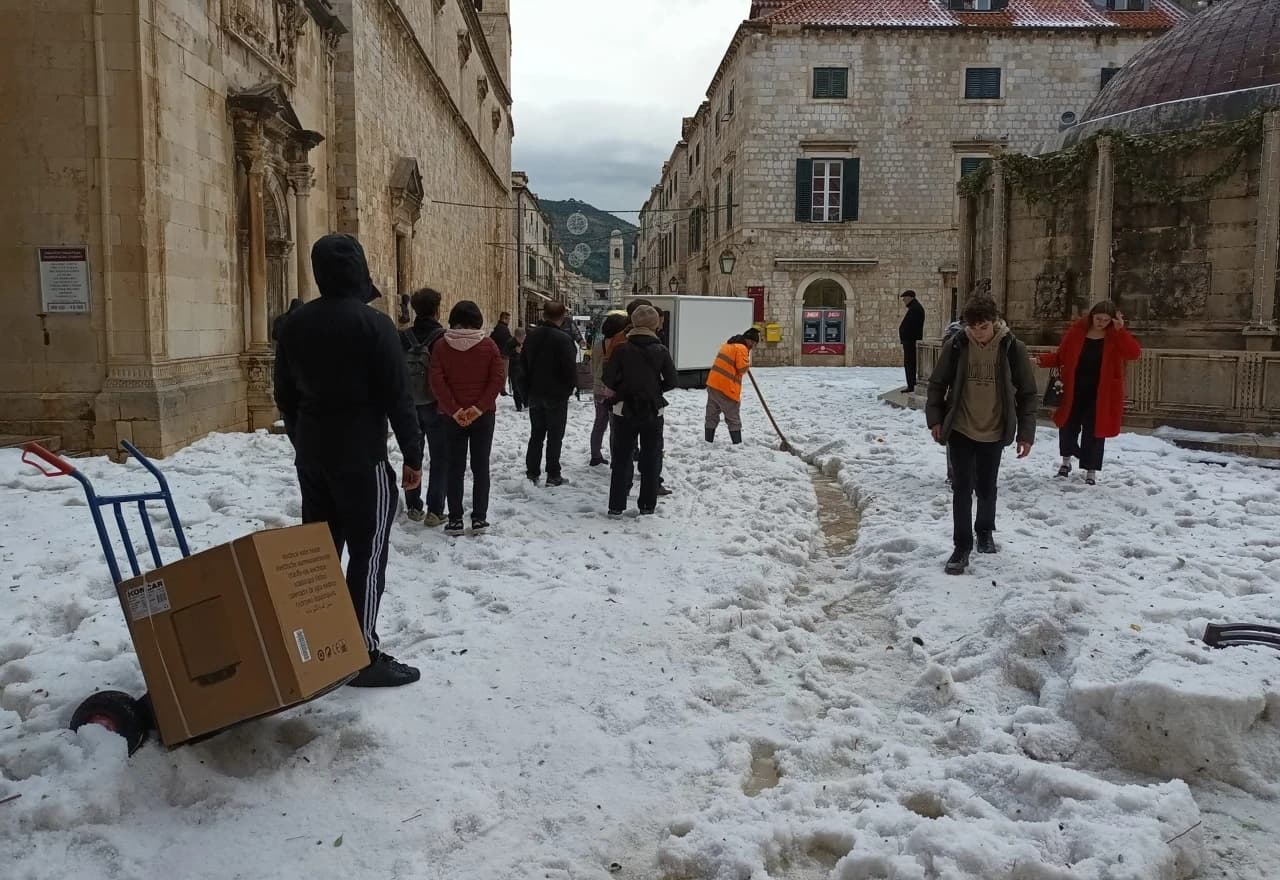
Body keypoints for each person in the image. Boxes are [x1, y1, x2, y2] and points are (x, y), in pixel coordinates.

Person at [274, 233, 423, 688]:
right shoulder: (374, 326)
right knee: (368, 553)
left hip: (313, 459)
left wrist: (303, 441)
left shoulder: (294, 326)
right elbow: (399, 397)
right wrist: (413, 454)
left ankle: (321, 646)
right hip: (362, 458)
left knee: (319, 555)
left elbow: (284, 396)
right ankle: (361, 654)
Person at [925, 296, 1038, 576]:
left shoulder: (1012, 348)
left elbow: (1027, 393)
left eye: (984, 327)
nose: (978, 333)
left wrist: (1026, 434)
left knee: (987, 486)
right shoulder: (957, 345)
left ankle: (985, 531)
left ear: (995, 322)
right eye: (973, 327)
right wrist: (935, 419)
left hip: (994, 428)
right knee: (961, 488)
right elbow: (937, 383)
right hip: (961, 427)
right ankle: (961, 545)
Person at [1038, 301, 1141, 485]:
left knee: (1095, 431)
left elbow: (1133, 354)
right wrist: (1040, 360)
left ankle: (1090, 470)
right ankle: (1066, 462)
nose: (1101, 323)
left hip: (1101, 392)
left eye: (1106, 320)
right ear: (1091, 316)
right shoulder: (1077, 331)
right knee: (1068, 426)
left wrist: (1121, 331)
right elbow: (1061, 356)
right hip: (1073, 388)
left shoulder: (1115, 335)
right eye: (1098, 318)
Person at [430, 300, 505, 536]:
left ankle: (455, 519)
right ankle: (479, 518)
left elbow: (436, 382)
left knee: (454, 467)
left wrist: (454, 410)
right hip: (483, 416)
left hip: (451, 417)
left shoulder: (441, 346)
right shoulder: (489, 346)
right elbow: (497, 379)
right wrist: (478, 408)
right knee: (481, 466)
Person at [603, 305, 677, 516]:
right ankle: (647, 505)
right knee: (651, 457)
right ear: (655, 325)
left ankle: (616, 505)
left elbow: (608, 378)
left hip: (624, 410)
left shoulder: (621, 349)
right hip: (652, 410)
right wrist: (654, 389)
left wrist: (625, 387)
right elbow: (672, 380)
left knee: (621, 458)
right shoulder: (661, 350)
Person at [401, 288, 449, 526]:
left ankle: (413, 505)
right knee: (440, 457)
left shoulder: (403, 337)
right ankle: (435, 510)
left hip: (409, 405)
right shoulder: (443, 338)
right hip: (436, 404)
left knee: (412, 453)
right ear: (437, 310)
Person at [521, 301, 578, 486]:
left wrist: (525, 391)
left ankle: (532, 472)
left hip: (535, 392)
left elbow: (523, 365)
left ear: (544, 315)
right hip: (557, 394)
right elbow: (570, 368)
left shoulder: (531, 336)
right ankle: (553, 474)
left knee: (536, 434)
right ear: (562, 317)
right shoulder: (564, 339)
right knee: (555, 436)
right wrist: (569, 389)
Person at [705, 327, 760, 444]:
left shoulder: (728, 344)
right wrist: (747, 363)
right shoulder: (741, 348)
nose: (753, 347)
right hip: (727, 388)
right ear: (750, 341)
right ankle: (737, 444)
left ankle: (708, 441)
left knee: (711, 414)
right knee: (733, 417)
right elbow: (742, 369)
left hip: (713, 384)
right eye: (754, 344)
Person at [589, 312, 629, 466]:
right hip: (612, 389)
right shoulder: (620, 345)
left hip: (598, 387)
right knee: (615, 425)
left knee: (599, 422)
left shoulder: (598, 344)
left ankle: (595, 455)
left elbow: (593, 366)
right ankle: (615, 459)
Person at [900, 290, 926, 392]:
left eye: (905, 298)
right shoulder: (914, 308)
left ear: (911, 298)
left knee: (909, 364)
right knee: (909, 363)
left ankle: (911, 385)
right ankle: (911, 384)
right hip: (909, 341)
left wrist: (906, 337)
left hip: (911, 341)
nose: (903, 300)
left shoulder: (915, 309)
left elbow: (912, 326)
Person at [505, 326, 528, 412]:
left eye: (524, 337)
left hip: (524, 367)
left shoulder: (527, 341)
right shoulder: (510, 342)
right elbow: (505, 354)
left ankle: (526, 403)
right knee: (516, 387)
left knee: (525, 386)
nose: (523, 339)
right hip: (514, 368)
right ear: (516, 337)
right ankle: (518, 406)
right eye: (521, 338)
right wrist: (515, 351)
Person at [490, 311, 513, 396]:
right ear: (504, 319)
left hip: (498, 353)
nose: (509, 321)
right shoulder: (503, 329)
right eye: (508, 319)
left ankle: (500, 388)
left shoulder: (498, 327)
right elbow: (508, 341)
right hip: (504, 354)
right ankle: (502, 389)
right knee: (504, 373)